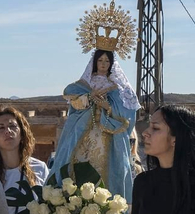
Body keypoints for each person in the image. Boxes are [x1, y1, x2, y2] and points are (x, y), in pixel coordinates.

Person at [49, 47, 139, 203]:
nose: (103, 64)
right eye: (100, 60)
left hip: (108, 136)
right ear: (94, 62)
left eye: (107, 61)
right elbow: (74, 102)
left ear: (111, 63)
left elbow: (126, 114)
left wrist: (107, 107)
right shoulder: (85, 83)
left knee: (108, 174)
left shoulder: (117, 87)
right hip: (81, 132)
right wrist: (88, 97)